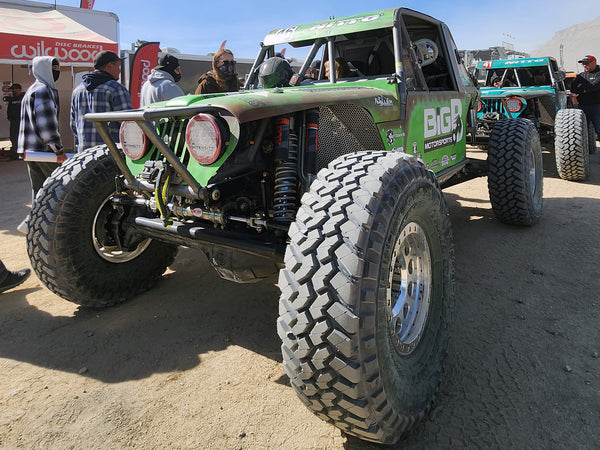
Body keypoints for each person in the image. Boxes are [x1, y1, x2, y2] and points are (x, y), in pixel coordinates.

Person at [17, 56, 65, 234]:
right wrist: (58, 149)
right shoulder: (44, 90)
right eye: (53, 67)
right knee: (58, 189)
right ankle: (47, 228)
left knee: (39, 190)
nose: (56, 71)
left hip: (31, 151)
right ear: (43, 69)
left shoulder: (32, 89)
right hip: (45, 152)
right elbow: (46, 125)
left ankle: (33, 225)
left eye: (58, 67)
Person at [70, 50, 132, 153]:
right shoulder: (116, 89)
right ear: (109, 66)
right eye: (118, 66)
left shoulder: (78, 90)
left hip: (83, 155)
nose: (120, 70)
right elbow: (128, 125)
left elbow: (73, 125)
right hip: (110, 156)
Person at [570, 55, 600, 138]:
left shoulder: (598, 74)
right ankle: (587, 150)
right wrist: (586, 89)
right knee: (581, 132)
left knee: (599, 130)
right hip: (582, 107)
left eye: (587, 63)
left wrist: (582, 88)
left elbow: (595, 86)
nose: (584, 66)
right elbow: (573, 88)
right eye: (583, 64)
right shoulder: (581, 75)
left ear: (594, 63)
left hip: (597, 107)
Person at [5, 83, 24, 160]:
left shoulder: (23, 97)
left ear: (19, 89)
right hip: (14, 121)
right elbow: (9, 109)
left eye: (14, 89)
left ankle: (23, 154)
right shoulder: (12, 99)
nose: (12, 91)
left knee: (22, 138)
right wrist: (9, 117)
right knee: (13, 138)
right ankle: (14, 155)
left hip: (22, 121)